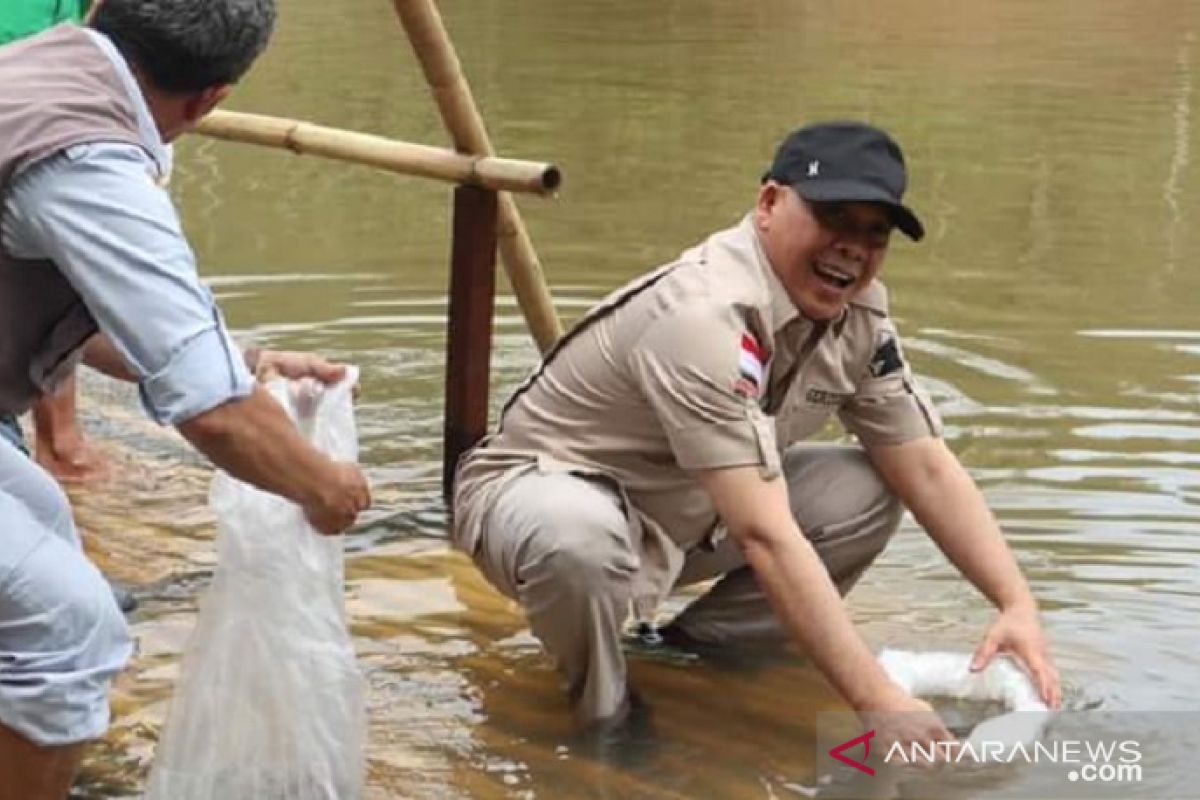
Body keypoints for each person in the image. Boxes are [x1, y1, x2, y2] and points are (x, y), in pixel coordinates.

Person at [452, 121, 1062, 749]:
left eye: (873, 233)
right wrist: (875, 698)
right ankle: (605, 719)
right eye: (834, 218)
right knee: (577, 539)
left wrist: (1016, 605)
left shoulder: (859, 316)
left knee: (872, 487)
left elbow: (927, 466)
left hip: (689, 508)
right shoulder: (703, 313)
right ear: (769, 204)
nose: (851, 247)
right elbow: (763, 533)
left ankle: (695, 660)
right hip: (536, 499)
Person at [0, 2, 372, 798]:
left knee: (44, 531)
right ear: (211, 99)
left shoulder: (36, 67)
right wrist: (327, 487)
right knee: (71, 631)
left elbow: (116, 325)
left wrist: (257, 360)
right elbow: (213, 411)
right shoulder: (87, 158)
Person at [0, 0, 104, 484]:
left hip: (65, 93)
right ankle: (59, 443)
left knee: (67, 269)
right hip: (27, 112)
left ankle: (60, 438)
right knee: (50, 261)